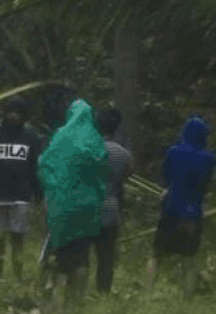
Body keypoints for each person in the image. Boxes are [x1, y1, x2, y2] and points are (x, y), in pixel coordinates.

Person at [37, 98, 107, 307]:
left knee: (56, 248)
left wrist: (51, 191)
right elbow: (102, 171)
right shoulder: (94, 140)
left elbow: (45, 165)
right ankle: (76, 300)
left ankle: (50, 287)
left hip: (61, 205)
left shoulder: (60, 136)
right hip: (86, 207)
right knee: (81, 255)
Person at [147, 114, 216, 298]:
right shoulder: (209, 158)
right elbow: (206, 184)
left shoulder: (174, 152)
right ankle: (187, 299)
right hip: (193, 214)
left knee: (156, 255)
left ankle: (147, 295)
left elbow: (166, 178)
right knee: (190, 259)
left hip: (171, 209)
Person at [0, 96, 43, 280]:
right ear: (5, 114)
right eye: (10, 112)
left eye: (18, 113)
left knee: (18, 238)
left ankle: (18, 274)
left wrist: (38, 194)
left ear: (24, 116)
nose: (14, 116)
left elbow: (34, 168)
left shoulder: (31, 138)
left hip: (21, 196)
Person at [92, 107, 133, 294]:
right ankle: (103, 292)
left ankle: (76, 290)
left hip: (85, 208)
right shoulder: (123, 154)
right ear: (115, 128)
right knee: (106, 257)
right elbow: (124, 178)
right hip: (110, 209)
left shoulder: (86, 150)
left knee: (81, 254)